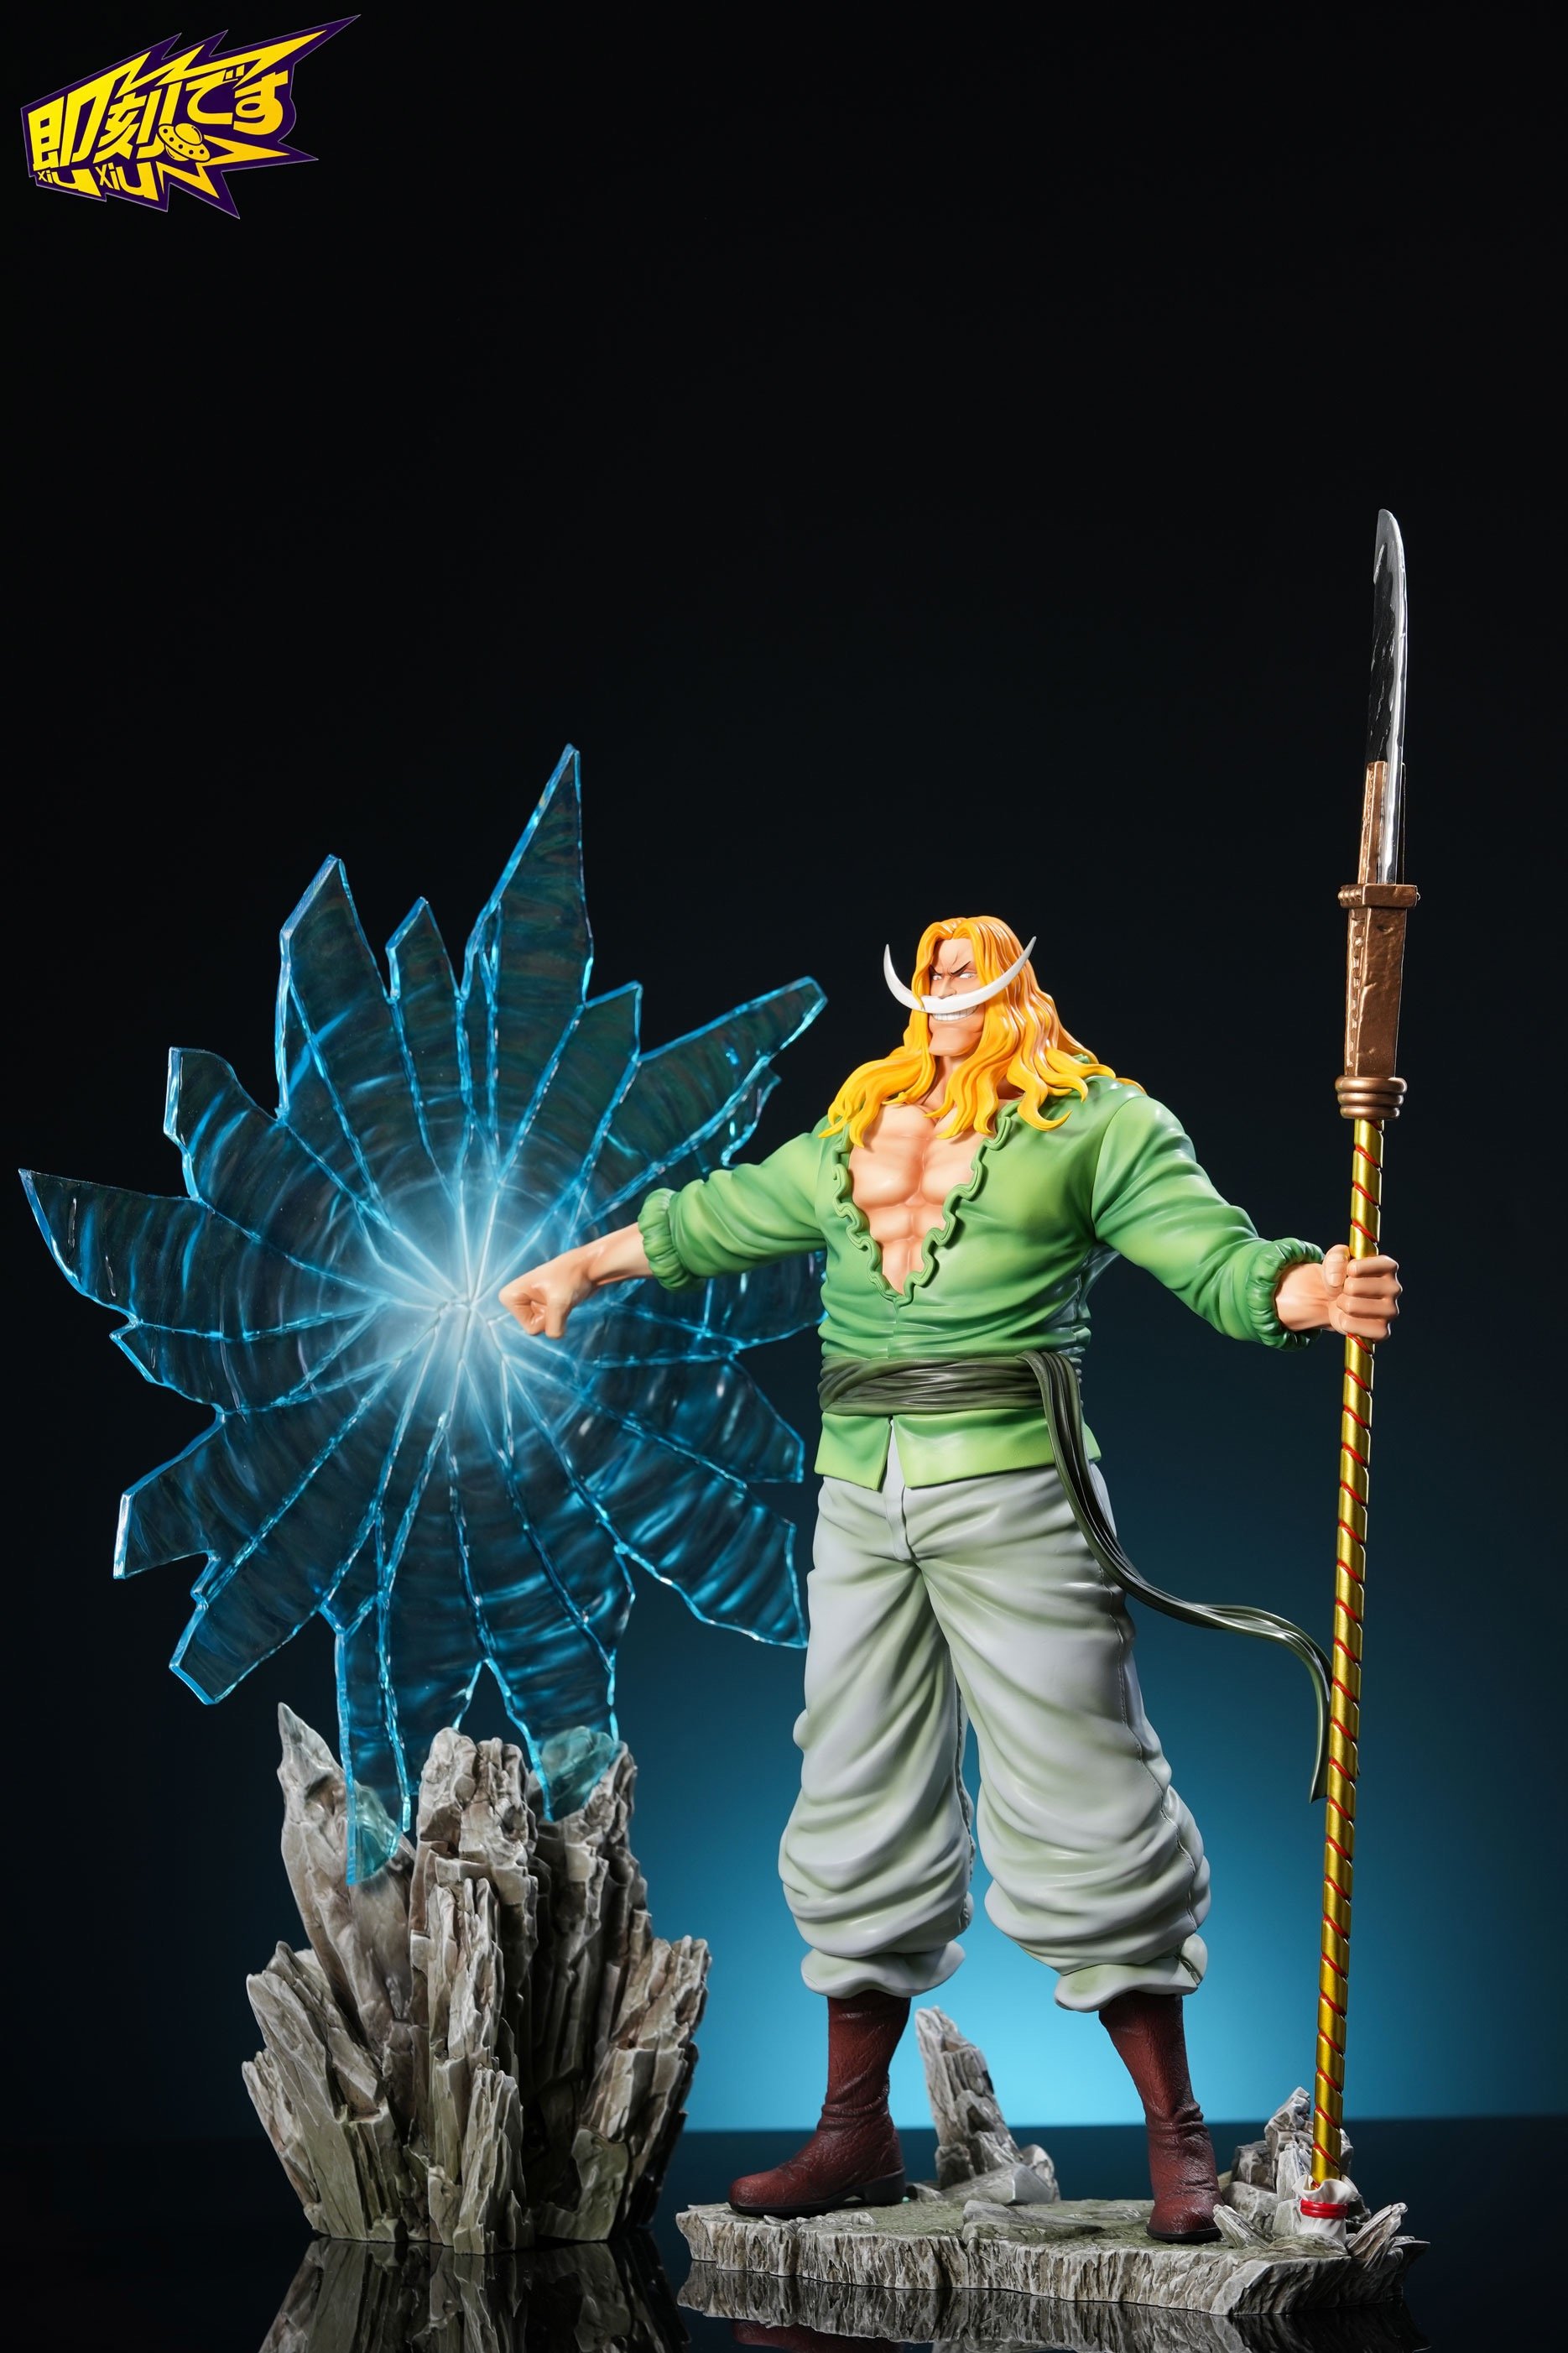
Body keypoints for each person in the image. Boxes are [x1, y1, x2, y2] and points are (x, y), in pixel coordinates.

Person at [500, 918, 1400, 2241]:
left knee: (1083, 1782)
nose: (947, 996)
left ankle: (1176, 2139)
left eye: (970, 977)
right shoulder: (853, 1130)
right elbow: (716, 1217)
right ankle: (852, 2131)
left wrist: (1305, 1288)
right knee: (852, 1782)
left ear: (1022, 988)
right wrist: (581, 1264)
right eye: (932, 979)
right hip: (862, 1497)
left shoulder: (1097, 1126)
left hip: (1017, 1485)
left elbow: (1208, 1256)